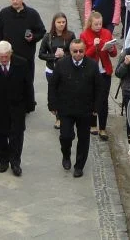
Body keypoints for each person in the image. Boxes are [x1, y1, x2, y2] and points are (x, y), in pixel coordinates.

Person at [0, 41, 34, 176]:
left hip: (17, 107)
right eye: (1, 56)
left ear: (11, 53)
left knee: (17, 136)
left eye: (6, 56)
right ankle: (3, 161)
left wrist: (29, 104)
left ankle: (15, 162)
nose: (4, 59)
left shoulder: (21, 64)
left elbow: (28, 86)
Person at [48, 39, 102, 177]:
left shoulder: (92, 65)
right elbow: (53, 85)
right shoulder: (61, 64)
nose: (78, 54)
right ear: (70, 51)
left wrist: (97, 106)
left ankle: (79, 166)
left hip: (85, 109)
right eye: (75, 51)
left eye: (81, 51)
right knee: (65, 136)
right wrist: (52, 104)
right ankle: (66, 155)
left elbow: (99, 88)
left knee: (84, 139)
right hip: (66, 108)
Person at [0, 0, 46, 93]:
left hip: (26, 56)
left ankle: (28, 103)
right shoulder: (4, 13)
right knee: (8, 81)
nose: (15, 1)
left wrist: (33, 38)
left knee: (27, 81)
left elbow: (41, 31)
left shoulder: (32, 14)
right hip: (8, 56)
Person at [81, 13, 117, 141]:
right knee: (91, 98)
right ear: (90, 23)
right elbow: (84, 56)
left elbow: (113, 54)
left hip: (104, 71)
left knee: (103, 100)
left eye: (100, 24)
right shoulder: (84, 35)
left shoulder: (106, 33)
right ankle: (92, 125)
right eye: (95, 24)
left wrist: (111, 48)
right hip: (91, 72)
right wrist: (94, 46)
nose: (98, 26)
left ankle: (102, 127)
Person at [38, 13, 76, 128]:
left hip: (66, 69)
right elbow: (41, 54)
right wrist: (54, 56)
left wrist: (64, 55)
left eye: (63, 22)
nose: (61, 24)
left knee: (66, 92)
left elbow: (75, 51)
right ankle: (58, 118)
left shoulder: (70, 35)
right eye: (59, 22)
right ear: (54, 23)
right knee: (55, 93)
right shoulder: (47, 37)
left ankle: (67, 115)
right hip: (52, 69)